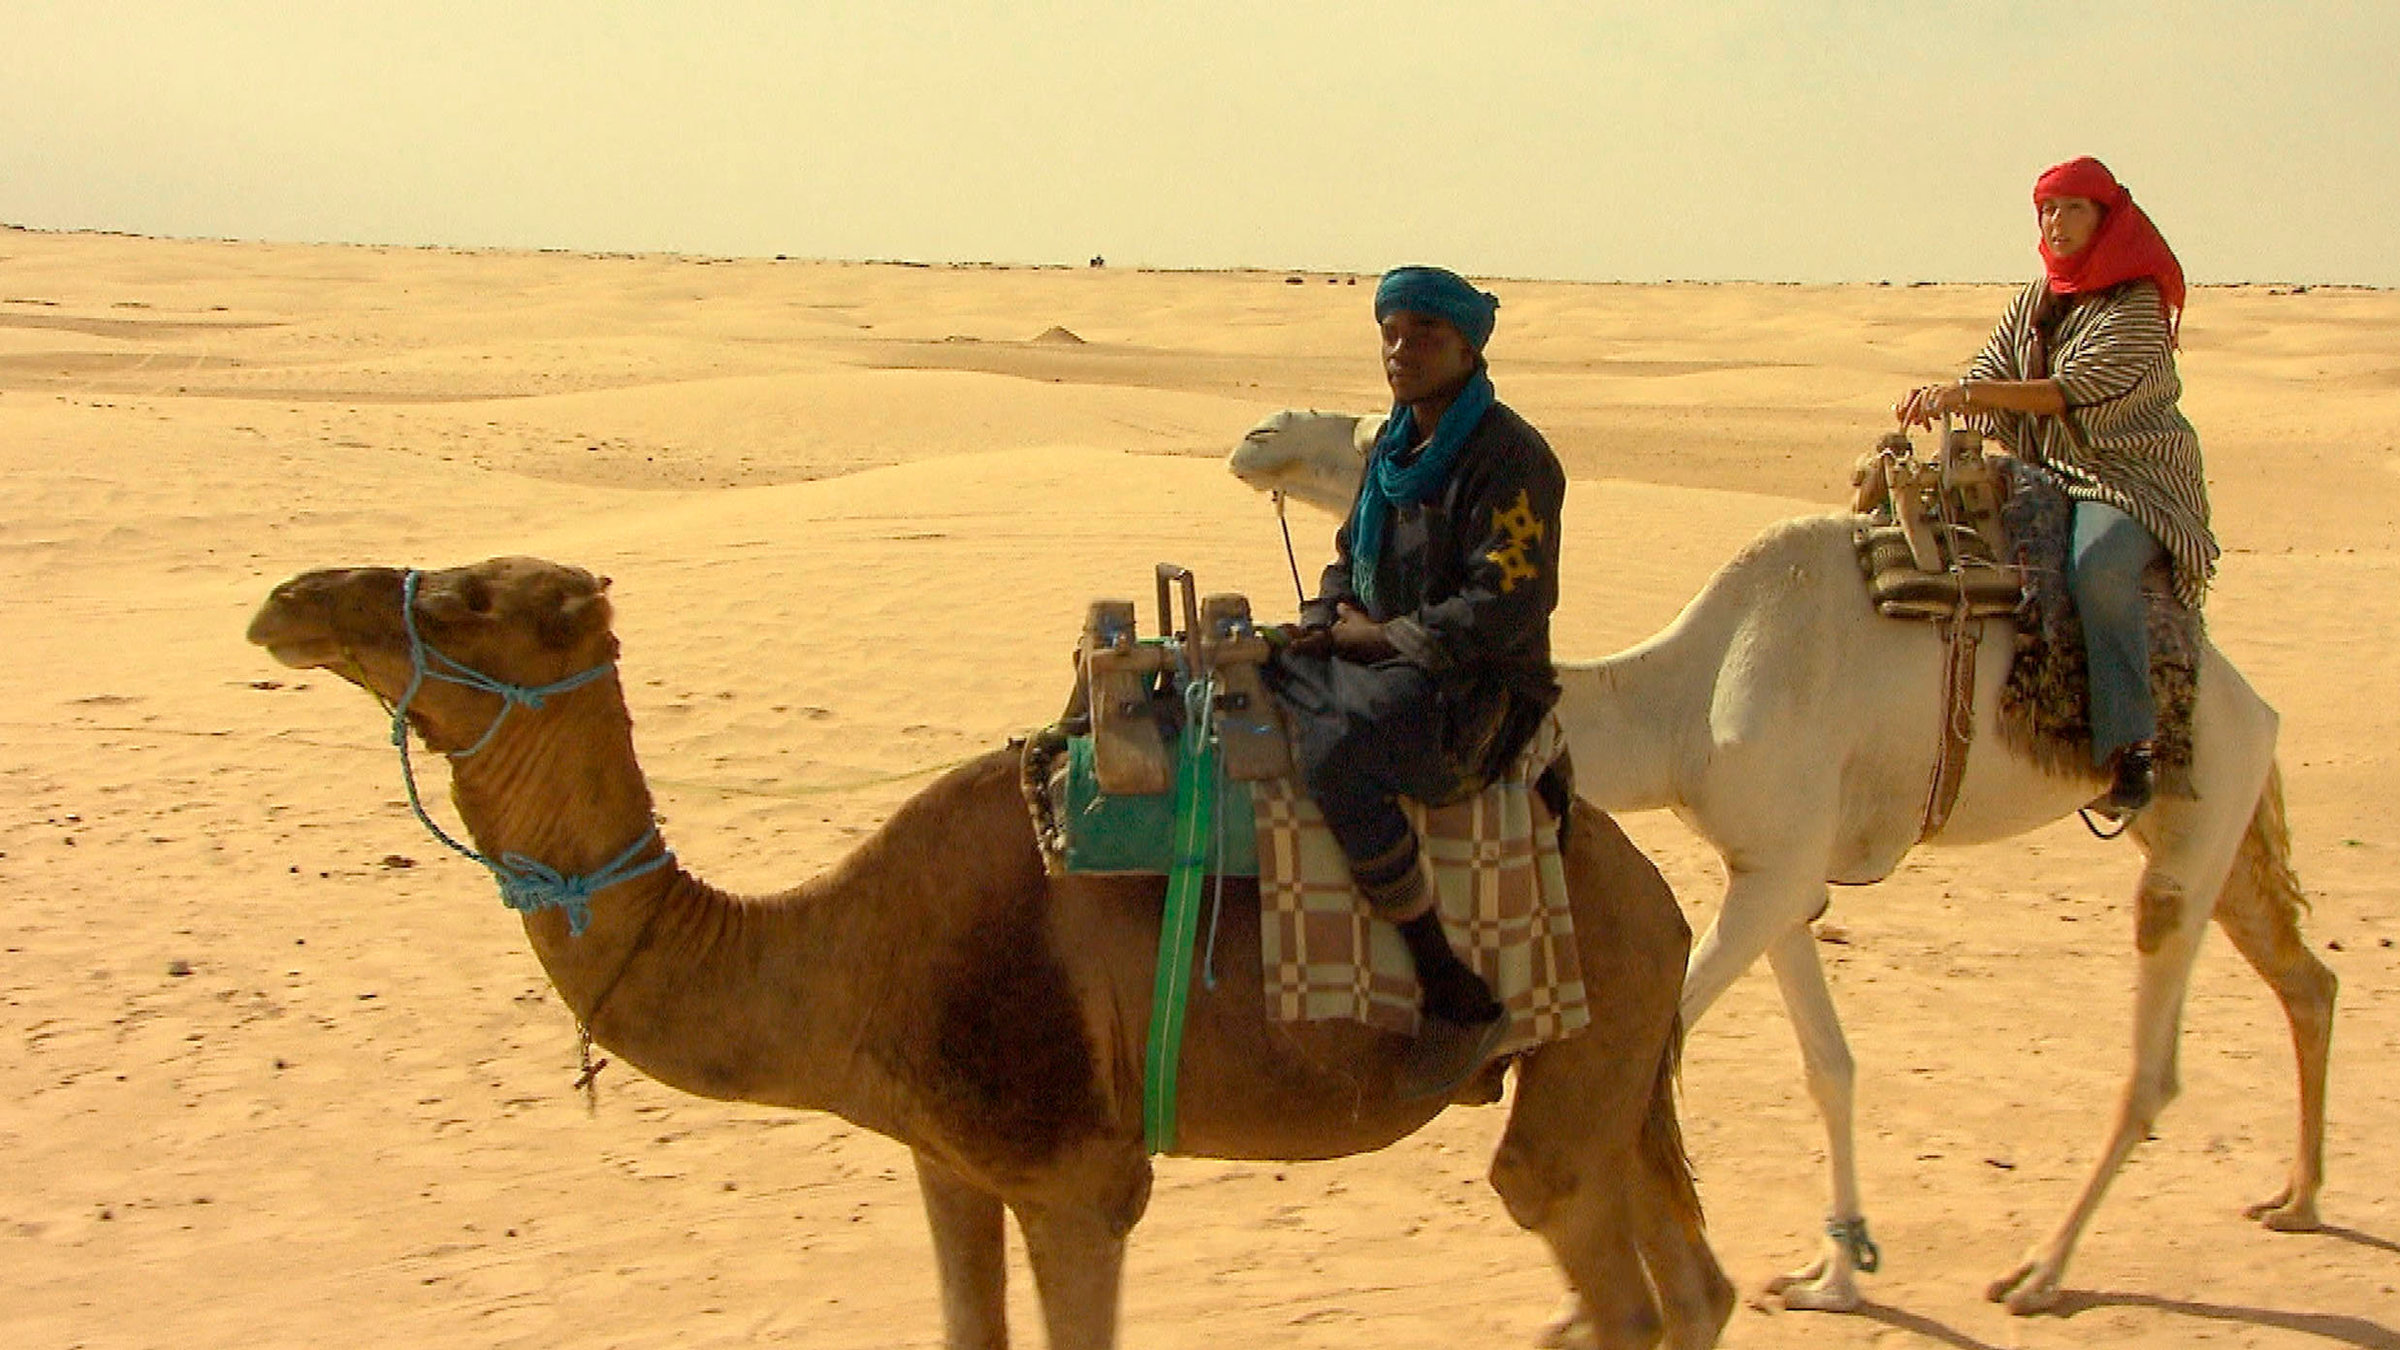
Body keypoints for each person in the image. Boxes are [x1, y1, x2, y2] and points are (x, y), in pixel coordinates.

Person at [1267, 265, 1566, 1099]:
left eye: (1423, 336)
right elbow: (1347, 564)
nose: (1400, 352)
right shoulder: (1396, 450)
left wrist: (1380, 639)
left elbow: (1505, 605)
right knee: (1257, 684)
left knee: (1337, 753)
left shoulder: (1511, 460)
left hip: (1473, 691)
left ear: (1467, 348)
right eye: (1390, 334)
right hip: (1384, 659)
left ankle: (1450, 987)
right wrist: (1324, 617)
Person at [1895, 157, 2218, 814]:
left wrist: (1973, 391)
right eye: (2047, 209)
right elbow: (1992, 367)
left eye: (2073, 208)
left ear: (2106, 218)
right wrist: (1941, 397)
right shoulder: (2036, 300)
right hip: (2044, 473)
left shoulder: (2136, 305)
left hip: (2125, 480)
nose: (2057, 222)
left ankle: (2133, 748)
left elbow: (2068, 393)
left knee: (2096, 569)